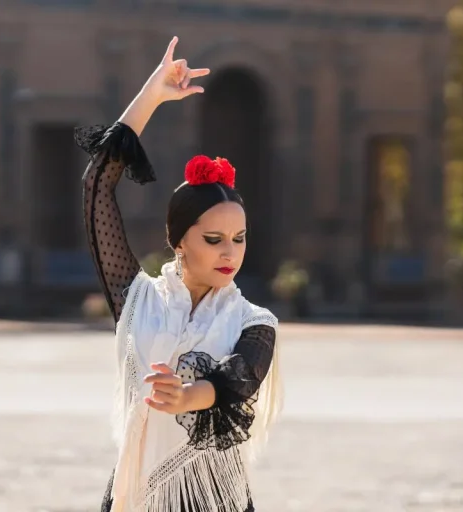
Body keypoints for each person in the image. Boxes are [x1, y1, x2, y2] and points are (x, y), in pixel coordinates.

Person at [75, 36, 282, 512]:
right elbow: (96, 190)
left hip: (213, 500)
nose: (230, 252)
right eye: (214, 240)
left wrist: (187, 396)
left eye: (240, 238)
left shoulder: (255, 322)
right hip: (134, 495)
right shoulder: (136, 299)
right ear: (179, 239)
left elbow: (239, 381)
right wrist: (152, 94)